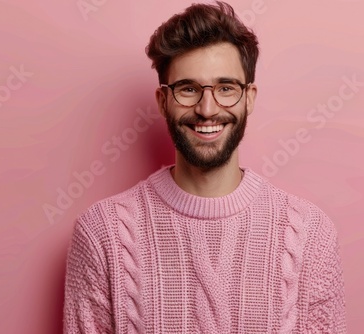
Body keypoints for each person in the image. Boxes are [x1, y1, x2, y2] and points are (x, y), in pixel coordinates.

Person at [63, 1, 346, 333]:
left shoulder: (310, 235)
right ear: (163, 101)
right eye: (188, 89)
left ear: (249, 97)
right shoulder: (102, 234)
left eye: (226, 88)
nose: (207, 109)